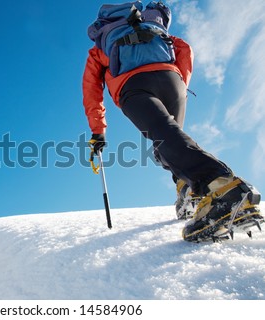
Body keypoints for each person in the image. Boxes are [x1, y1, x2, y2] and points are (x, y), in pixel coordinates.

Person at [82, 1, 263, 242]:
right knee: (169, 140)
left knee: (164, 136)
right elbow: (184, 49)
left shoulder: (101, 45)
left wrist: (98, 132)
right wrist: (180, 83)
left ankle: (224, 189)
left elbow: (91, 88)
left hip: (133, 86)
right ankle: (189, 191)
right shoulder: (154, 26)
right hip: (172, 79)